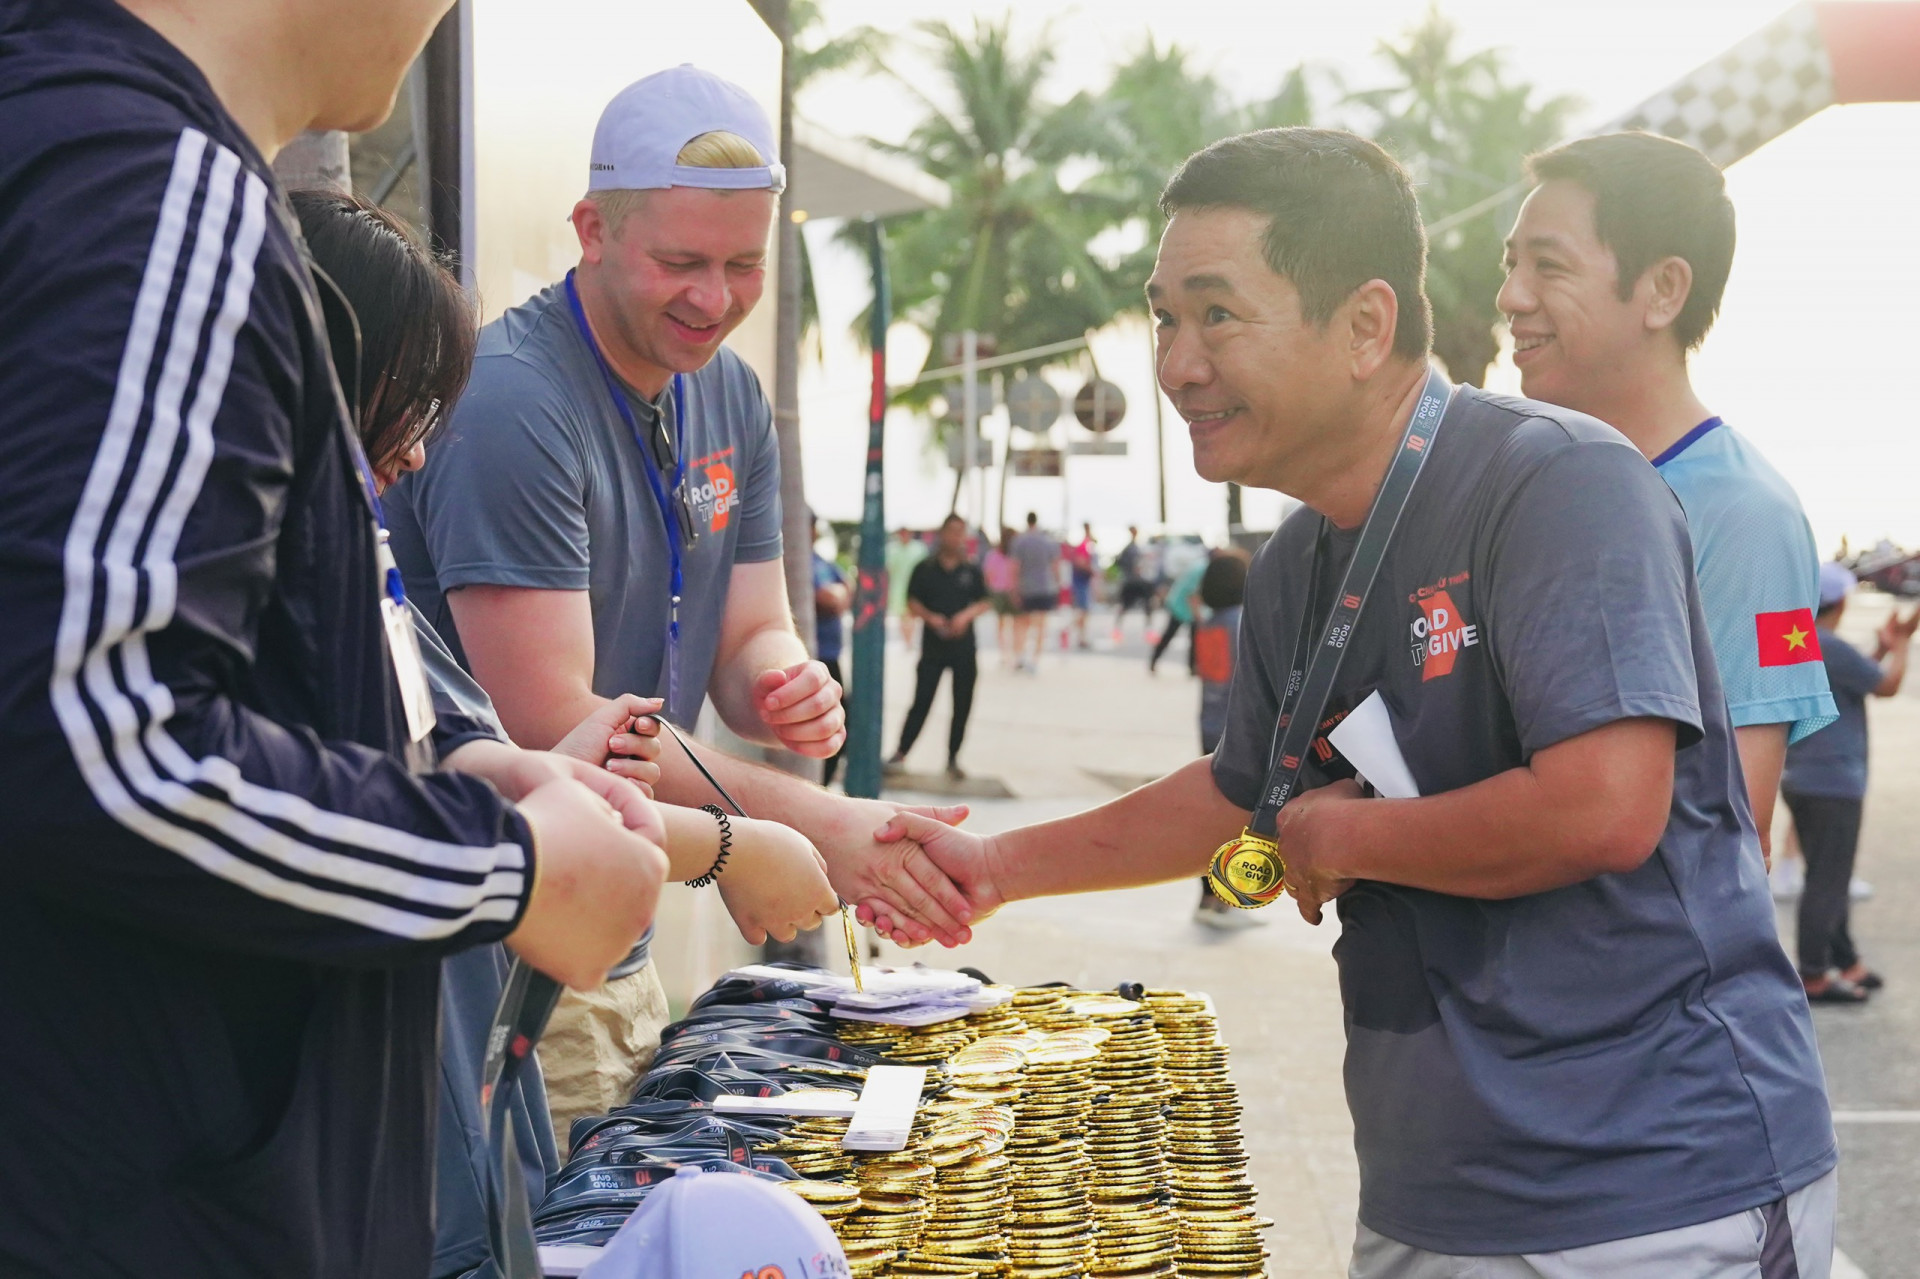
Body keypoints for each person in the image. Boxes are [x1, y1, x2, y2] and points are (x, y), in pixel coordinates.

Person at [871, 127, 1836, 1277]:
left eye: (1217, 314)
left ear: (1368, 326)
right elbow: (1244, 794)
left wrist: (1345, 833)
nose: (1177, 363)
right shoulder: (1296, 561)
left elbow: (1606, 807)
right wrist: (999, 869)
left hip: (1649, 1196)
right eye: (1166, 317)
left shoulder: (1559, 481)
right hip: (1434, 1189)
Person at [0, 3, 673, 1275]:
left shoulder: (79, 147)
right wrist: (505, 865)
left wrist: (449, 774)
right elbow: (91, 740)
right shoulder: (155, 190)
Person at [384, 64, 972, 1140]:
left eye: (744, 265)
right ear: (591, 229)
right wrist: (817, 824)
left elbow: (752, 627)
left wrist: (785, 683)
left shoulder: (730, 389)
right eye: (681, 263)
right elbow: (557, 729)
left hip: (623, 912)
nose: (715, 299)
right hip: (505, 950)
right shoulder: (515, 398)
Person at [291, 189, 839, 1273]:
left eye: (744, 265)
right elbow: (505, 764)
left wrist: (777, 684)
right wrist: (742, 841)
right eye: (399, 415)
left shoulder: (349, 564)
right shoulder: (498, 420)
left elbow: (491, 757)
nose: (410, 463)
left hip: (458, 1092)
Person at [1499, 131, 1836, 865]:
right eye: (1511, 263)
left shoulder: (1746, 515)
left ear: (1663, 290)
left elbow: (1728, 833)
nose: (1511, 297)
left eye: (1547, 266)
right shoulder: (1525, 479)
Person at [1781, 563, 1916, 1004]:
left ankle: (1846, 959)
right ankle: (1814, 975)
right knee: (1828, 882)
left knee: (1827, 874)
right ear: (1841, 603)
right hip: (1833, 781)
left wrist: (1879, 649)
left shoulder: (1796, 641)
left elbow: (1849, 681)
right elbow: (1886, 686)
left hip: (1802, 775)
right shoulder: (1831, 646)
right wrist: (1900, 646)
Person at [886, 514, 992, 781]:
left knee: (962, 704)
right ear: (942, 533)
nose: (955, 538)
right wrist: (931, 618)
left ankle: (953, 758)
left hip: (964, 647)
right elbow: (912, 600)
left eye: (960, 532)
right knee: (922, 700)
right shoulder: (925, 568)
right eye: (951, 531)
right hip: (933, 646)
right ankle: (901, 752)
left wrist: (964, 617)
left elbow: (984, 601)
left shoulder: (971, 570)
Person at [1191, 549, 1261, 932]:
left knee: (1215, 815)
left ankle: (1211, 895)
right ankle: (1226, 898)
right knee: (1237, 821)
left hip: (1209, 725)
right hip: (1238, 730)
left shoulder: (1209, 624)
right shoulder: (1242, 623)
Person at [813, 514, 851, 788]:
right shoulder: (802, 563)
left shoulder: (822, 563)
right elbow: (830, 598)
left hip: (830, 654)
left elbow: (847, 589)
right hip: (817, 654)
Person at [1010, 511, 1060, 670]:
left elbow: (1015, 566)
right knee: (1041, 625)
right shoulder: (1047, 541)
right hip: (1044, 587)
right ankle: (1035, 660)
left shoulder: (1019, 541)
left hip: (1026, 587)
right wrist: (1057, 585)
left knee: (1022, 624)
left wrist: (1014, 589)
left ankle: (1020, 656)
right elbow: (1055, 566)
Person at [1149, 551, 1207, 674]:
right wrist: (1198, 615)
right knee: (1170, 635)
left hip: (1184, 606)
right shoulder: (1202, 569)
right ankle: (1154, 661)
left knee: (1192, 638)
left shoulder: (1201, 565)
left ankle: (1192, 668)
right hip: (1180, 607)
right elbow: (1192, 595)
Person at [886, 525, 929, 647]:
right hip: (898, 588)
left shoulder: (919, 548)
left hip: (915, 587)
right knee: (903, 616)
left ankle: (909, 640)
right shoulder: (892, 549)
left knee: (910, 615)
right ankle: (907, 640)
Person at [1113, 524, 1156, 639]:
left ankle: (1148, 629)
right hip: (1131, 581)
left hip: (1137, 581)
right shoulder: (1130, 548)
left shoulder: (1135, 547)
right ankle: (1117, 629)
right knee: (1125, 605)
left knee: (1147, 605)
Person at [984, 526, 1019, 663]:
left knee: (1001, 624)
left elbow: (988, 574)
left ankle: (1004, 653)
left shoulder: (993, 555)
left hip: (998, 591)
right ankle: (1015, 653)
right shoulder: (1015, 556)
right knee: (1015, 624)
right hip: (1013, 591)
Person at [1067, 521, 1098, 649]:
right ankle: (1069, 631)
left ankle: (1081, 637)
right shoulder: (1083, 545)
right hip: (1081, 582)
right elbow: (1080, 562)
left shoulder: (1087, 545)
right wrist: (1091, 571)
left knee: (1084, 612)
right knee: (1083, 611)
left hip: (1083, 582)